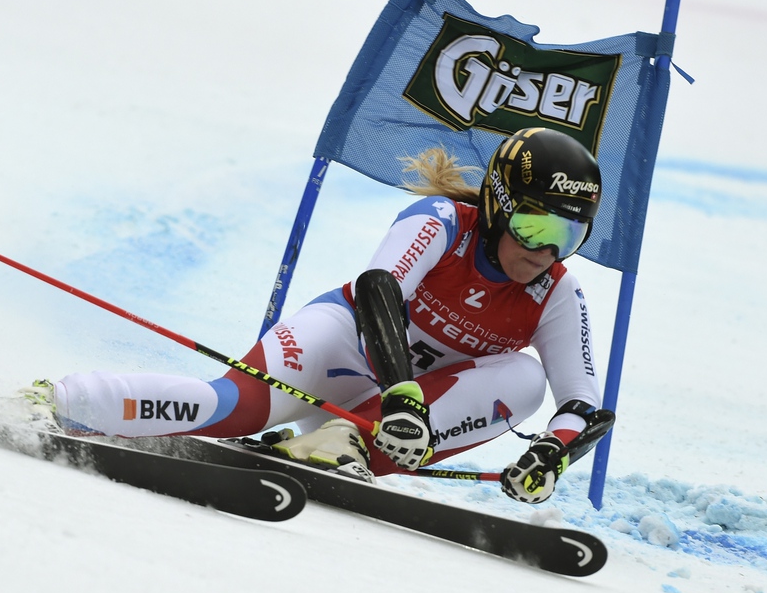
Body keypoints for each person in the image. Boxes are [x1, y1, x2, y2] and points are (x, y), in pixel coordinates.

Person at [52, 126, 610, 504]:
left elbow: (582, 402)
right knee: (227, 408)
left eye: (569, 236)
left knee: (526, 377)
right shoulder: (442, 219)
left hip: (387, 421)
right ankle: (66, 399)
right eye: (536, 227)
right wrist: (401, 394)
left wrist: (552, 454)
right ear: (498, 204)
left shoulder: (556, 291)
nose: (545, 252)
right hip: (344, 348)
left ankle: (337, 443)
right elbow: (378, 290)